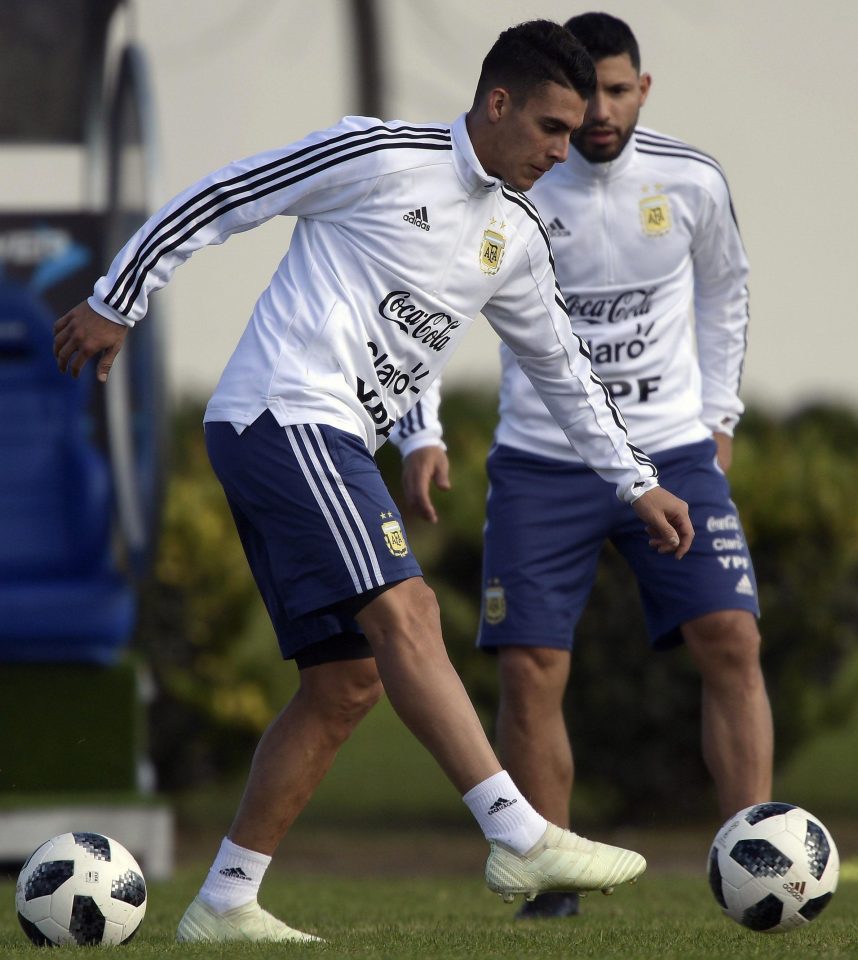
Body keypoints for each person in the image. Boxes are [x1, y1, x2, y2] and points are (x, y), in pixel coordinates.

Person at [53, 20, 694, 943]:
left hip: (327, 437)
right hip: (284, 414)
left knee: (345, 683)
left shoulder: (514, 233)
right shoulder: (378, 154)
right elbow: (223, 195)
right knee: (410, 613)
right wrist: (121, 297)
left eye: (576, 130)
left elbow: (562, 369)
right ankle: (516, 832)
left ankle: (226, 900)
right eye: (552, 127)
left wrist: (636, 482)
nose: (565, 149)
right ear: (498, 102)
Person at [400, 12, 773, 921]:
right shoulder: (518, 182)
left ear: (643, 89)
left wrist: (718, 414)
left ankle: (760, 860)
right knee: (529, 667)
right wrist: (421, 428)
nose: (598, 115)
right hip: (542, 462)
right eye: (582, 99)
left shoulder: (691, 181)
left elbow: (727, 287)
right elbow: (428, 297)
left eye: (616, 91)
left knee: (732, 639)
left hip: (672, 448)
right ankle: (552, 890)